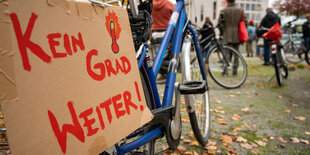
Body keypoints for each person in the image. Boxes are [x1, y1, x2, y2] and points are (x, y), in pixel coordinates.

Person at [217, 0, 245, 76]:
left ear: (227, 1)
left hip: (226, 34)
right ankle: (234, 72)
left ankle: (225, 71)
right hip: (237, 35)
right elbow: (245, 22)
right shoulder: (240, 10)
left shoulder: (223, 11)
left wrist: (222, 32)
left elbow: (219, 24)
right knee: (237, 54)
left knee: (226, 54)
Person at [151, 0, 174, 82]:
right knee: (168, 54)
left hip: (155, 32)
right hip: (167, 31)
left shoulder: (151, 4)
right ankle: (168, 74)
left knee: (157, 55)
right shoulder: (169, 4)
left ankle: (161, 74)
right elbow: (175, 16)